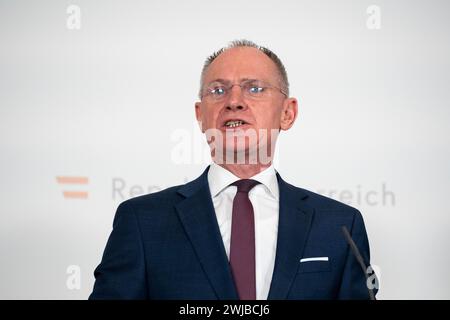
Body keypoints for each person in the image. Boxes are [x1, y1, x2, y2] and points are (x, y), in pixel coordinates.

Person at [89, 39, 377, 300]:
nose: (234, 101)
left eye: (255, 88)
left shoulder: (340, 226)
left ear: (287, 113)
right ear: (200, 116)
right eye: (218, 90)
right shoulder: (141, 221)